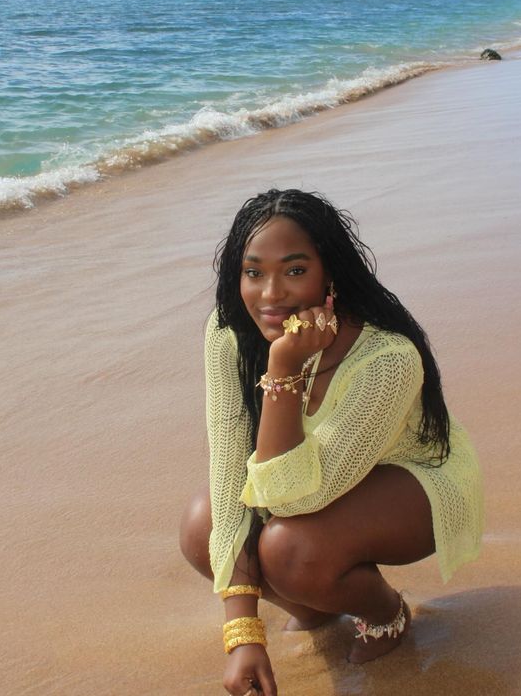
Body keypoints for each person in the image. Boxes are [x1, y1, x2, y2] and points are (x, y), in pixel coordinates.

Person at [179, 189, 483, 696]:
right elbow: (231, 465)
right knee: (202, 524)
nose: (270, 294)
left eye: (294, 271)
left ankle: (386, 612)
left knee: (290, 548)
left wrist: (283, 369)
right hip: (307, 476)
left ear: (330, 275)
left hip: (412, 485)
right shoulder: (227, 331)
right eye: (254, 272)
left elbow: (294, 501)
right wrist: (242, 633)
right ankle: (316, 607)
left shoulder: (386, 358)